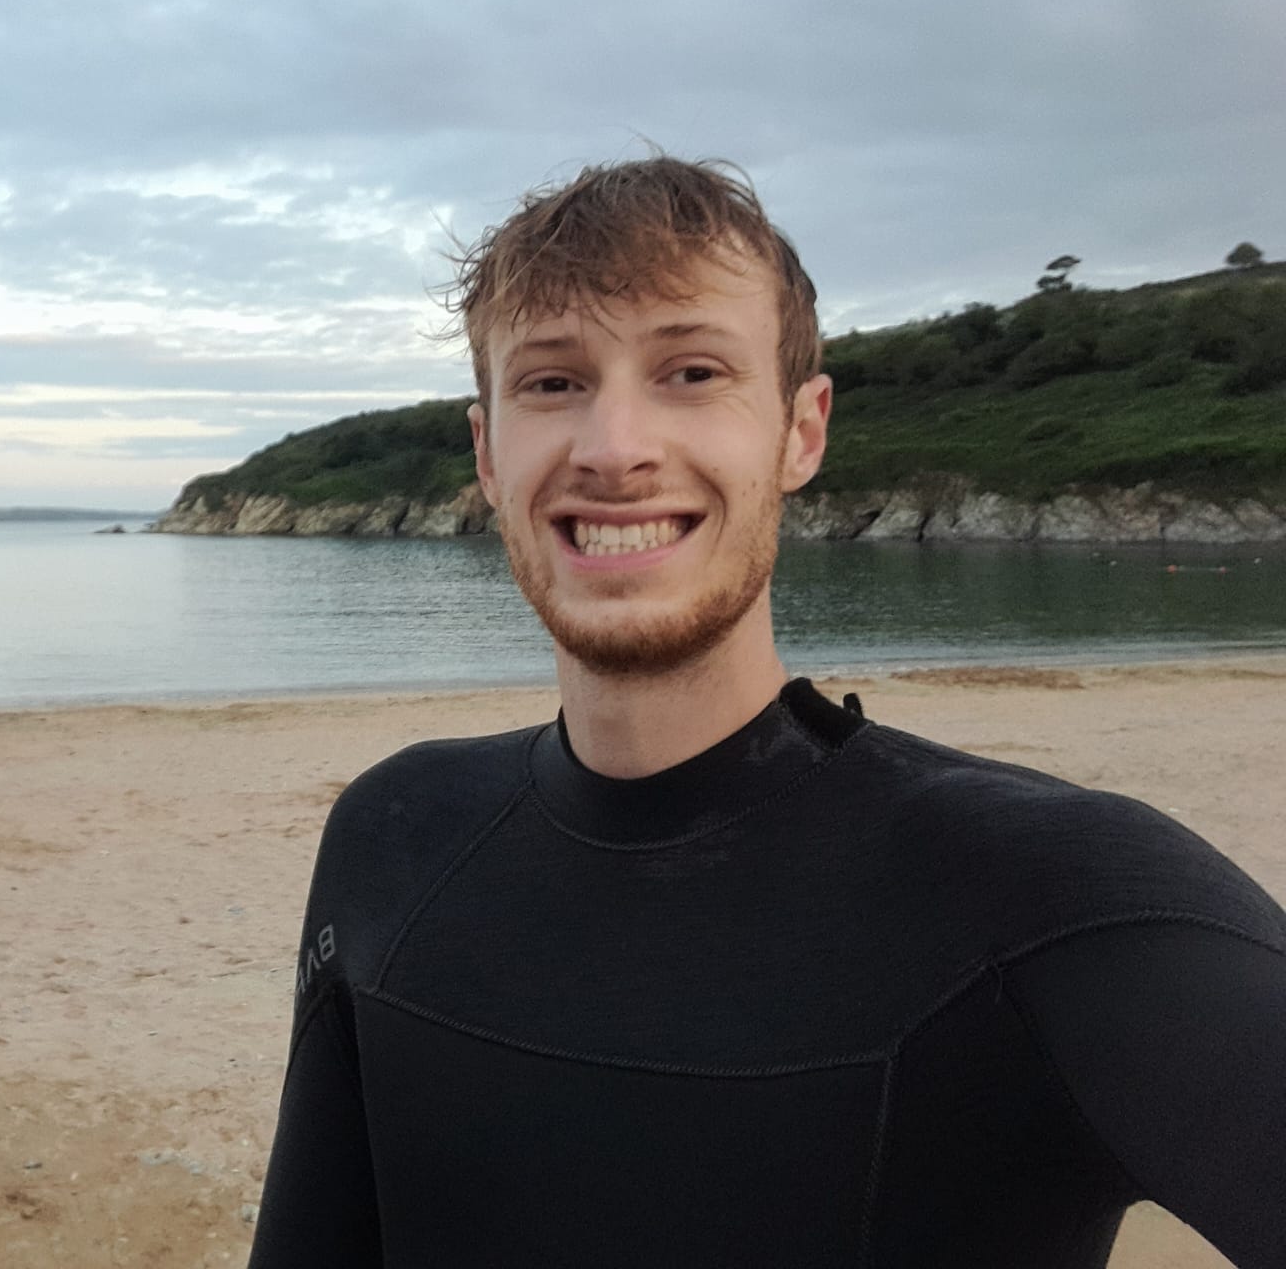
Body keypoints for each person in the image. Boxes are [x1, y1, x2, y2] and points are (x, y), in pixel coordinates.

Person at [248, 156, 1286, 1268]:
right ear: (487, 453)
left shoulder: (1047, 892)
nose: (612, 448)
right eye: (551, 384)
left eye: (690, 372)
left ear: (801, 431)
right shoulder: (395, 832)